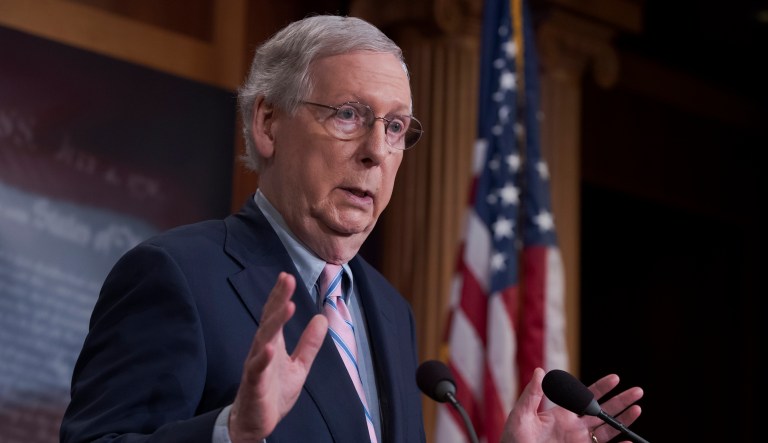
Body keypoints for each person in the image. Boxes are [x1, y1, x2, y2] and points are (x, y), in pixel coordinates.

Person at [59, 14, 644, 443]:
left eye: (396, 128)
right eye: (348, 115)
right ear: (268, 123)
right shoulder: (178, 276)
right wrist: (230, 432)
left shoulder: (388, 310)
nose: (376, 152)